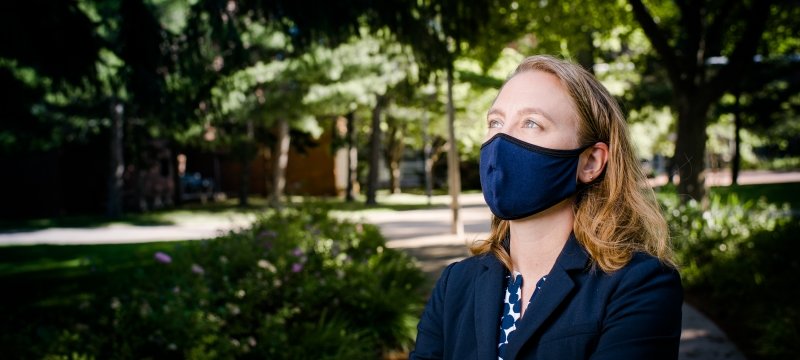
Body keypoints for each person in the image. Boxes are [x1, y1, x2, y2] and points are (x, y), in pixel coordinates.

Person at [410, 55, 682, 360]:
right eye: (495, 122)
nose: (501, 139)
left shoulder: (638, 285)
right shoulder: (455, 285)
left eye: (531, 123)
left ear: (590, 161)